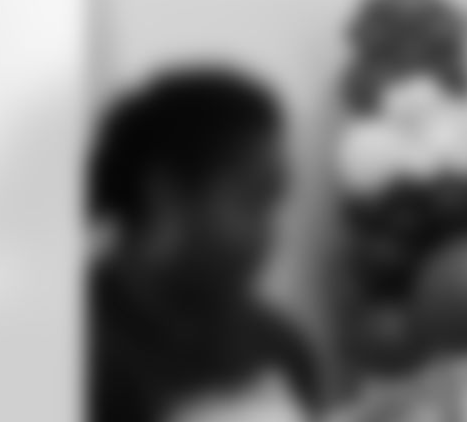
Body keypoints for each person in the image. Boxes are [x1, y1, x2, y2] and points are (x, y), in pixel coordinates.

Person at [88, 66, 320, 422]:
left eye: (274, 203)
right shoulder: (73, 354)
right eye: (252, 199)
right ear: (165, 194)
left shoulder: (278, 346)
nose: (270, 233)